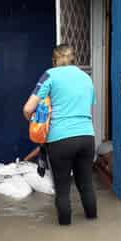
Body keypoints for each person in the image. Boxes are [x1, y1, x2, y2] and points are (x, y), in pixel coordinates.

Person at [23, 44, 97, 225]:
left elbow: (28, 108)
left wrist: (36, 122)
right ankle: (93, 223)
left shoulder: (50, 75)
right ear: (74, 58)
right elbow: (90, 106)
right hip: (87, 137)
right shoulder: (86, 78)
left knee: (63, 188)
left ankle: (65, 231)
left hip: (60, 140)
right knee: (86, 183)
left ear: (55, 60)